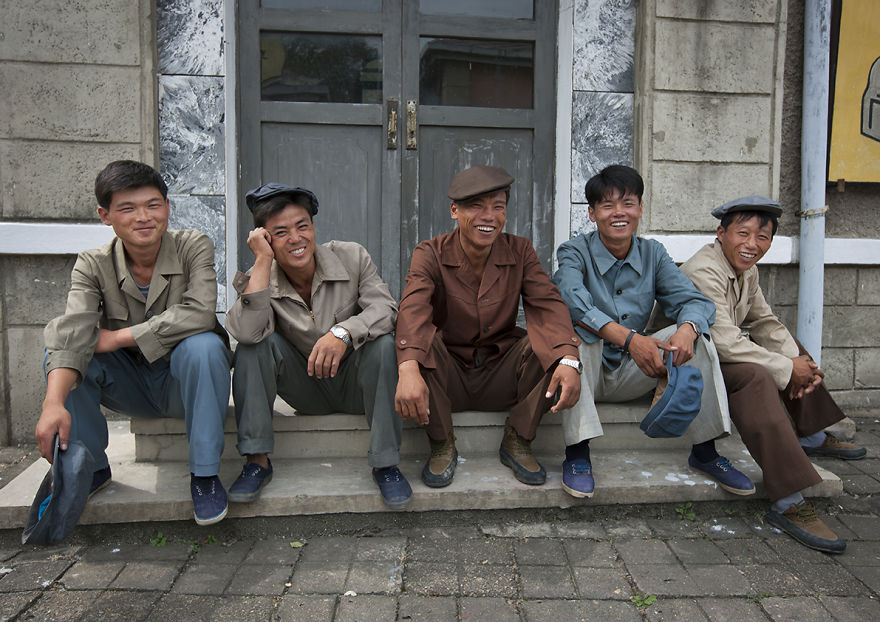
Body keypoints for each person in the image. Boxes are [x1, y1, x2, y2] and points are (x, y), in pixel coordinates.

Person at [37, 160, 232, 526]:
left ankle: (205, 476)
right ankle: (92, 468)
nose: (143, 217)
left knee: (204, 344)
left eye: (153, 205)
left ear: (167, 207)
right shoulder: (92, 264)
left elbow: (200, 313)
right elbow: (72, 331)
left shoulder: (193, 246)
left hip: (182, 382)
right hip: (129, 386)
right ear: (105, 215)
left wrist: (117, 338)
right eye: (127, 208)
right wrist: (52, 404)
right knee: (66, 348)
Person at [680, 195, 865, 553]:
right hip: (688, 364)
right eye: (743, 234)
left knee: (789, 347)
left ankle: (810, 435)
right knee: (757, 375)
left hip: (720, 354)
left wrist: (798, 363)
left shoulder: (747, 269)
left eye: (762, 238)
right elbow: (723, 341)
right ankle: (789, 501)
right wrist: (786, 368)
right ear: (721, 233)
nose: (752, 245)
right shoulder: (704, 269)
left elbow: (763, 321)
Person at [552, 165, 747, 499]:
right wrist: (631, 340)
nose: (618, 213)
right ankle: (578, 452)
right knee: (579, 336)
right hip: (588, 373)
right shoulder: (573, 252)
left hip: (635, 372)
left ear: (640, 209)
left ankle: (705, 452)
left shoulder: (652, 253)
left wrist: (686, 329)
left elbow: (694, 300)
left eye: (627, 203)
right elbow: (573, 302)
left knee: (699, 335)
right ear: (592, 213)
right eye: (607, 205)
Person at [394, 165, 582, 488]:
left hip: (500, 372)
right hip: (447, 375)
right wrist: (408, 368)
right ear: (454, 210)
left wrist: (568, 357)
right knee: (422, 341)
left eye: (498, 207)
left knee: (548, 344)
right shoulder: (430, 253)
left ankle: (518, 437)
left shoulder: (520, 250)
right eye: (476, 206)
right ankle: (442, 443)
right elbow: (413, 308)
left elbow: (547, 304)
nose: (489, 216)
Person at [226, 183, 411, 509]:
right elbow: (244, 332)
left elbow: (387, 310)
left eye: (302, 226)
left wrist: (342, 333)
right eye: (280, 232)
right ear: (265, 239)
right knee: (252, 347)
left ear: (313, 227)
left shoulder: (352, 257)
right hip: (305, 389)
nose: (296, 239)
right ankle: (257, 461)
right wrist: (262, 262)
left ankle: (386, 464)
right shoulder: (260, 278)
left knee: (384, 344)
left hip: (357, 386)